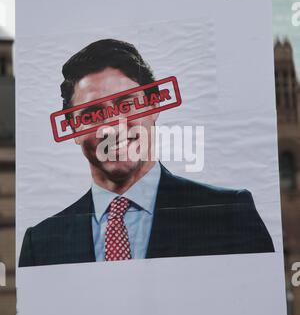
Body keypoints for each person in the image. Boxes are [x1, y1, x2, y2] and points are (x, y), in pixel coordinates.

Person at [19, 39, 274, 267]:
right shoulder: (40, 244)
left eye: (127, 104)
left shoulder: (228, 215)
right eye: (91, 115)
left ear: (154, 107)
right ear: (74, 129)